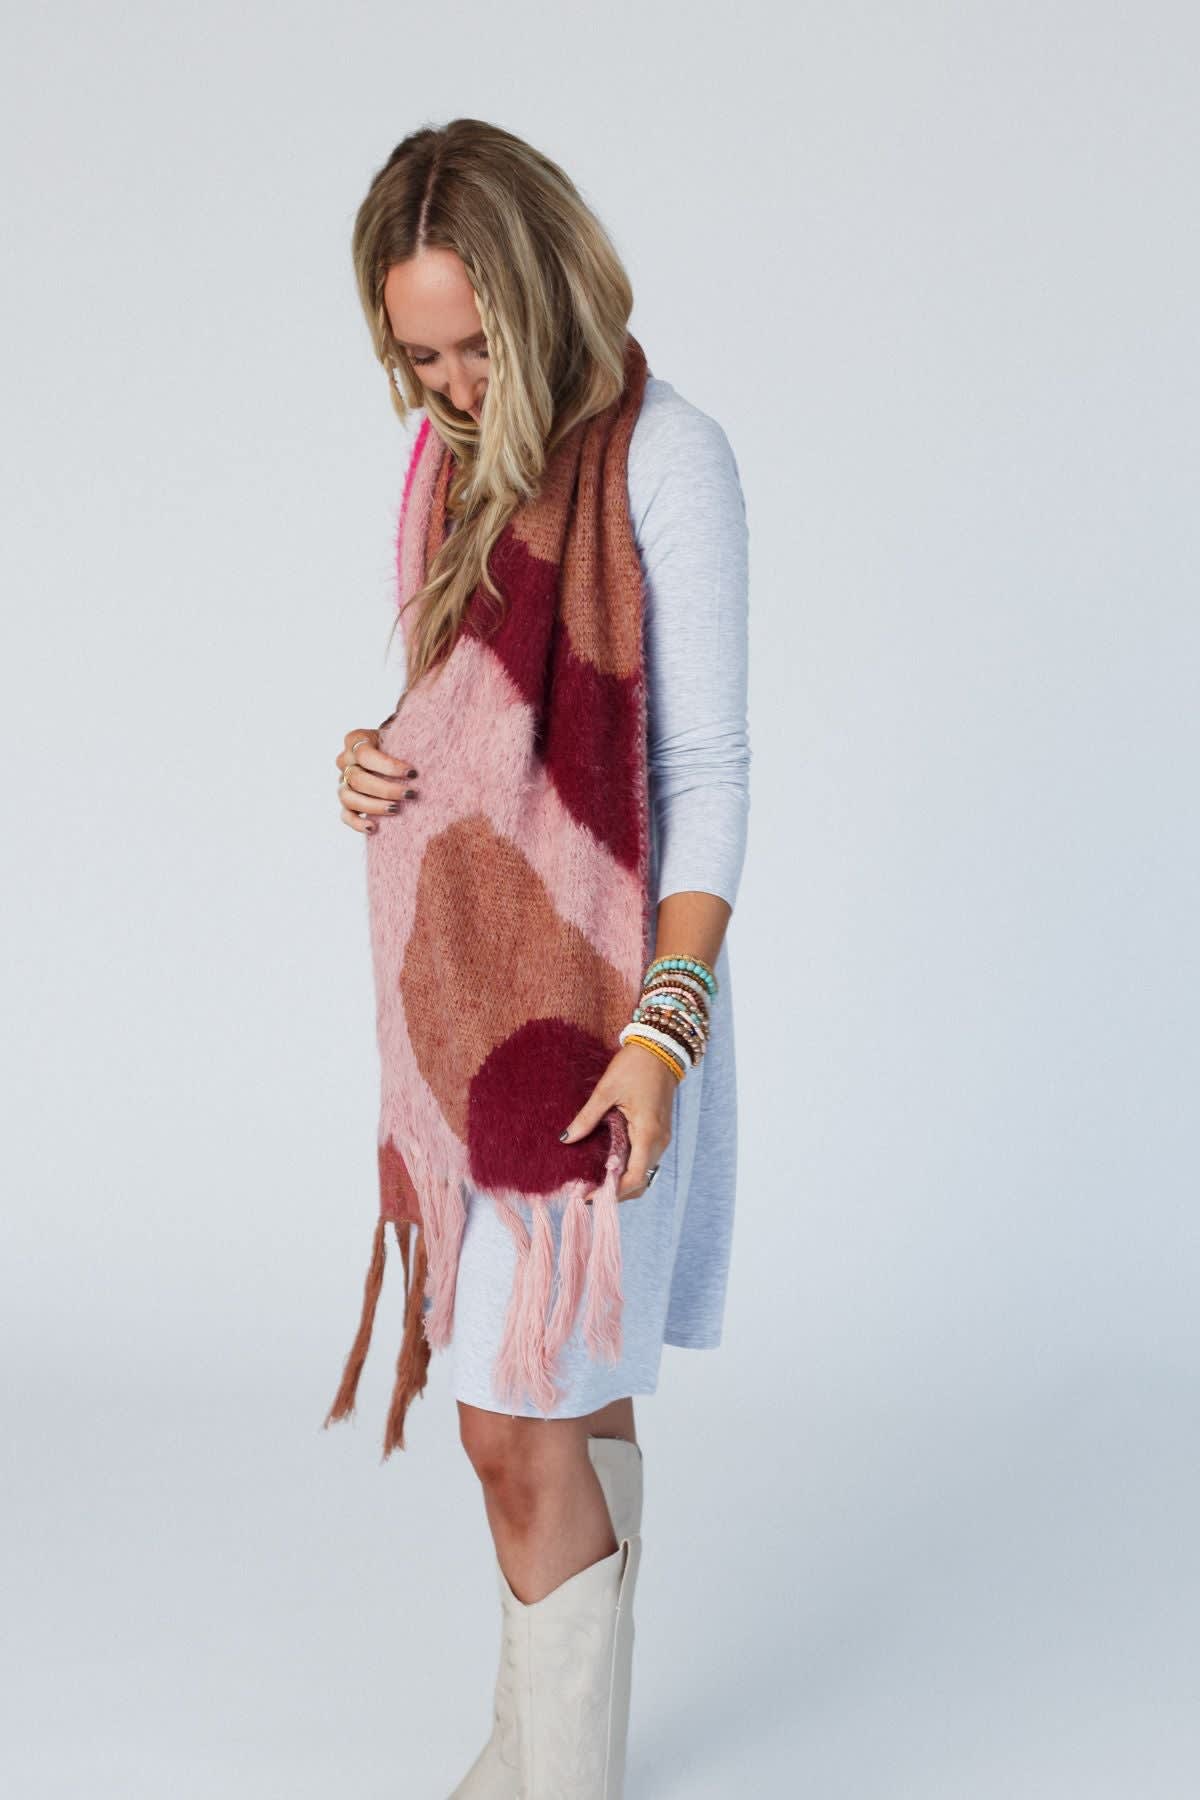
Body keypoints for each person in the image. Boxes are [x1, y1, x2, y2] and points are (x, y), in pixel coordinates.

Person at [325, 119, 750, 1800]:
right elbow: (473, 716)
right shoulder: (445, 463)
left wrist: (663, 1034)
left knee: (515, 1421)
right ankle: (551, 1757)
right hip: (475, 1000)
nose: (445, 386)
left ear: (545, 290)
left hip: (615, 1013)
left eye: (475, 346)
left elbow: (704, 775)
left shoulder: (670, 459)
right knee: (564, 1404)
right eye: (418, 355)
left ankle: (549, 1778)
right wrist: (375, 755)